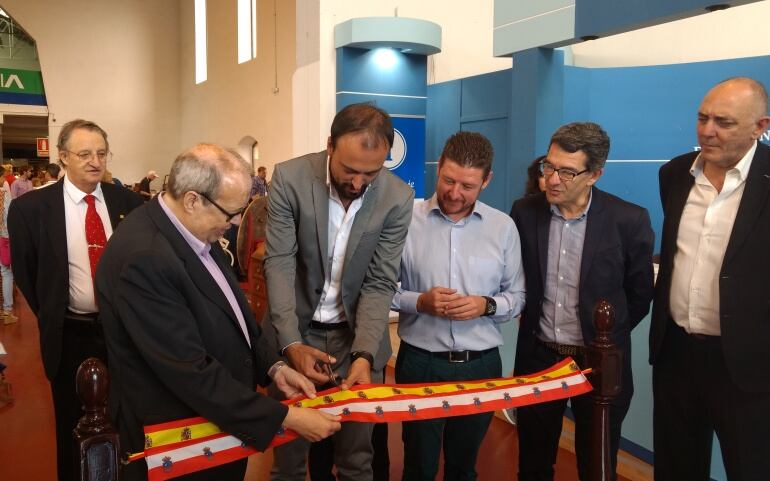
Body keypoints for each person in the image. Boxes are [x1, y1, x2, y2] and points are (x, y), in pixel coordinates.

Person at [95, 143, 340, 481]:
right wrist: (284, 418)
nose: (237, 221)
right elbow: (190, 372)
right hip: (179, 441)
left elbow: (233, 317)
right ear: (193, 199)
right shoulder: (145, 257)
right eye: (231, 212)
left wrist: (274, 367)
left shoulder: (189, 231)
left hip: (216, 425)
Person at [263, 102, 414, 481]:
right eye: (350, 170)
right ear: (330, 145)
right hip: (296, 329)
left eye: (372, 172)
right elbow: (279, 262)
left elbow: (380, 281)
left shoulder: (397, 197)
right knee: (289, 457)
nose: (359, 183)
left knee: (357, 460)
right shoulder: (290, 178)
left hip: (355, 338)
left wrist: (364, 353)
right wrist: (291, 344)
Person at [510, 122, 654, 481]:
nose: (553, 179)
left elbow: (638, 297)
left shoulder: (628, 220)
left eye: (567, 172)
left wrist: (602, 337)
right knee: (533, 462)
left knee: (597, 464)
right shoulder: (525, 213)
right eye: (549, 166)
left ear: (595, 174)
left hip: (599, 363)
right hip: (538, 357)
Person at [8, 119, 144, 481]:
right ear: (63, 156)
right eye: (84, 154)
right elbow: (27, 273)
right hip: (70, 335)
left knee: (126, 421)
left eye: (101, 153)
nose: (94, 161)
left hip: (124, 334)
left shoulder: (128, 204)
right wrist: (59, 313)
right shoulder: (31, 210)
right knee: (72, 426)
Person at [650, 77, 770, 481]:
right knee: (676, 468)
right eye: (702, 118)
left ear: (760, 126)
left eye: (724, 122)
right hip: (676, 357)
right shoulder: (674, 174)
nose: (707, 130)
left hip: (749, 367)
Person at [392, 131, 526, 481]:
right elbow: (382, 289)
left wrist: (487, 305)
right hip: (419, 362)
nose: (454, 193)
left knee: (463, 469)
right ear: (438, 168)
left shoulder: (503, 228)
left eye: (467, 185)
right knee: (417, 467)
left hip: (480, 367)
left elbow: (518, 297)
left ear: (487, 180)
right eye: (448, 180)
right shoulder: (406, 220)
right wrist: (419, 301)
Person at [0, 166, 15, 324]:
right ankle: (7, 311)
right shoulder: (4, 194)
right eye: (3, 177)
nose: (5, 180)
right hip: (3, 237)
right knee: (6, 273)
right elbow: (9, 217)